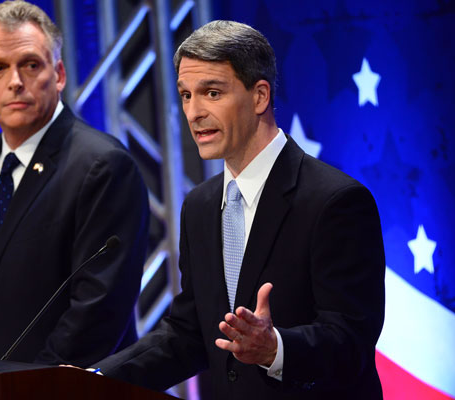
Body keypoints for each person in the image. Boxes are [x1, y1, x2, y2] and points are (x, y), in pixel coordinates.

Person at [93, 20, 385, 399]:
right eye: (185, 95)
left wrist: (275, 347)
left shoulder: (336, 201)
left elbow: (350, 340)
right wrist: (97, 378)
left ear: (260, 96)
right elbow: (189, 334)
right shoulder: (200, 205)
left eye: (212, 93)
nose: (193, 112)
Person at [0, 0, 149, 367]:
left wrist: (25, 389)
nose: (15, 81)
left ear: (59, 74)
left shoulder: (103, 166)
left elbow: (97, 315)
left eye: (30, 65)